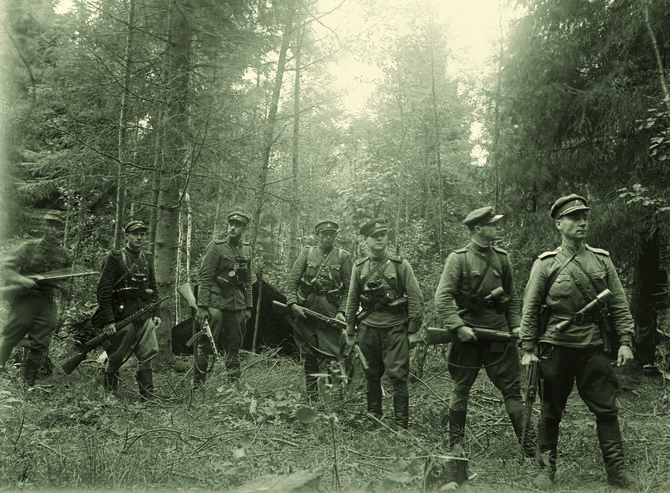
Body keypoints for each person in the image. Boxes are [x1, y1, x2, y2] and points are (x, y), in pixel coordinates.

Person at [519, 194, 636, 489]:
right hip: (555, 348)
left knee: (606, 409)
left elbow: (620, 304)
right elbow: (530, 308)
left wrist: (625, 340)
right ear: (559, 224)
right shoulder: (545, 264)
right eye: (574, 218)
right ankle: (546, 472)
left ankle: (617, 472)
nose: (582, 222)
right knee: (550, 411)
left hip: (593, 348)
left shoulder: (601, 260)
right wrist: (528, 349)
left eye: (584, 217)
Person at [434, 206, 535, 457]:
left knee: (512, 389)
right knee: (461, 388)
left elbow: (511, 298)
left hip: (499, 334)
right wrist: (458, 326)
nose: (497, 227)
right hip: (468, 334)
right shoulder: (458, 259)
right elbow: (442, 297)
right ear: (478, 228)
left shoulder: (502, 257)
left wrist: (516, 325)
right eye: (493, 224)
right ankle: (456, 444)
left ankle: (529, 444)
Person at [345, 218, 424, 429]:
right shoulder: (359, 267)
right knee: (371, 375)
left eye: (383, 235)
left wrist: (413, 330)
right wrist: (350, 330)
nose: (380, 239)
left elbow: (415, 297)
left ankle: (401, 425)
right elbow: (352, 300)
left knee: (398, 377)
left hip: (395, 329)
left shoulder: (400, 265)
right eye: (374, 236)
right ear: (366, 241)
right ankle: (373, 418)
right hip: (368, 329)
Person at [0, 210, 72, 386]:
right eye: (49, 224)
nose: (52, 229)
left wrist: (63, 288)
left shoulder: (64, 256)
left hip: (45, 302)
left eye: (56, 226)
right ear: (43, 226)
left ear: (61, 230)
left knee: (40, 344)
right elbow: (6, 268)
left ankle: (28, 383)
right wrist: (21, 279)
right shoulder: (29, 248)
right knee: (10, 337)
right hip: (24, 300)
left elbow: (67, 282)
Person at [95, 220, 163, 400]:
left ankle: (147, 397)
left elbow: (153, 287)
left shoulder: (147, 258)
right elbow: (103, 290)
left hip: (144, 315)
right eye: (135, 234)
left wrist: (156, 312)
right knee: (115, 357)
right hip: (121, 316)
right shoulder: (115, 258)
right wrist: (108, 320)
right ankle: (109, 396)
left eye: (142, 234)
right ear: (127, 235)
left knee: (147, 354)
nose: (140, 237)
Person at [285, 220, 352, 400]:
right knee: (309, 354)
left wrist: (342, 312)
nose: (328, 237)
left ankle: (332, 398)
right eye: (324, 234)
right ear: (318, 235)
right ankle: (312, 396)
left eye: (332, 234)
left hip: (330, 314)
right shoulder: (307, 253)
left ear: (335, 236)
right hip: (306, 312)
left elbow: (349, 290)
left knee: (332, 355)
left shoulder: (343, 257)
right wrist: (293, 305)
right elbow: (292, 283)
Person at [194, 211, 253, 388]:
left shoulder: (247, 249)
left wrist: (248, 306)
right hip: (215, 304)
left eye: (238, 225)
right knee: (205, 346)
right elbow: (204, 278)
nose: (233, 227)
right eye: (231, 224)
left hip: (237, 305)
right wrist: (202, 306)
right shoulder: (216, 247)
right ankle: (198, 386)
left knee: (234, 347)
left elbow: (248, 280)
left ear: (244, 228)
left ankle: (233, 386)